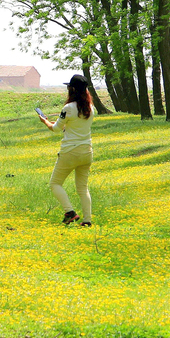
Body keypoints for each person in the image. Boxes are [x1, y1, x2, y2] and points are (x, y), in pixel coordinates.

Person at [40, 74, 95, 226]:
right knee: (83, 188)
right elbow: (76, 126)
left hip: (70, 151)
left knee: (55, 184)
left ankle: (69, 212)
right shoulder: (91, 108)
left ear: (71, 89)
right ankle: (87, 221)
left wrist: (45, 121)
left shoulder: (68, 108)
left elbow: (55, 129)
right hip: (87, 151)